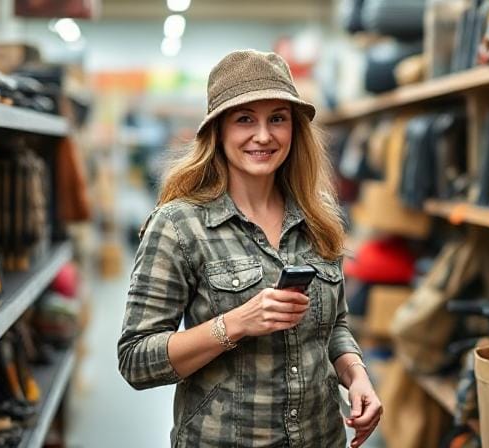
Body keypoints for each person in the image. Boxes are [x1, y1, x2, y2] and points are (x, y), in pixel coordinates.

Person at [118, 50, 383, 448]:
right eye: (245, 119)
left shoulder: (318, 216)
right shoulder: (179, 224)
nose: (263, 136)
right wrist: (237, 323)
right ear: (218, 130)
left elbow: (335, 325)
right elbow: (137, 360)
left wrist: (356, 374)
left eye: (277, 118)